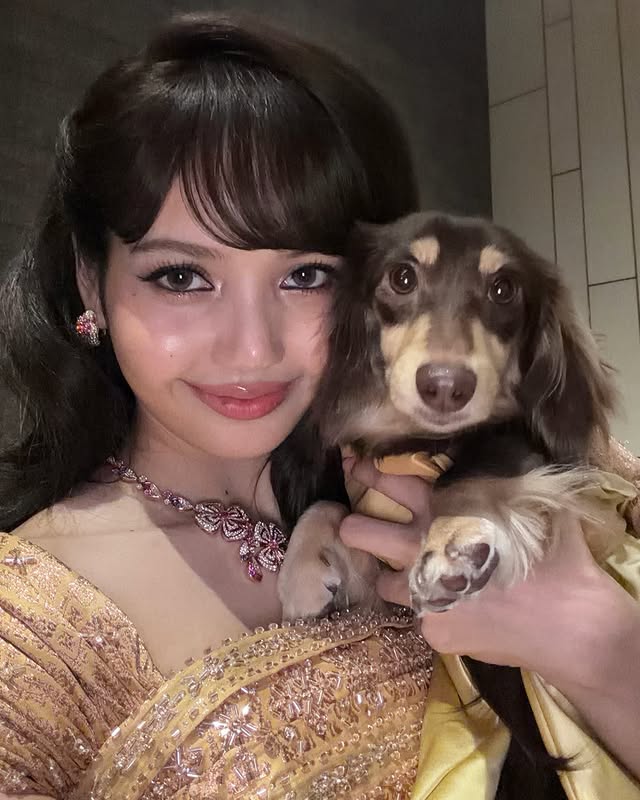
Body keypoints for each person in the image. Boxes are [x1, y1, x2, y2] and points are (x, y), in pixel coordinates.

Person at [0, 11, 638, 800]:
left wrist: (600, 643)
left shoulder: (475, 463)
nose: (252, 348)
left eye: (306, 275)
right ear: (91, 283)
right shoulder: (32, 632)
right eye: (180, 277)